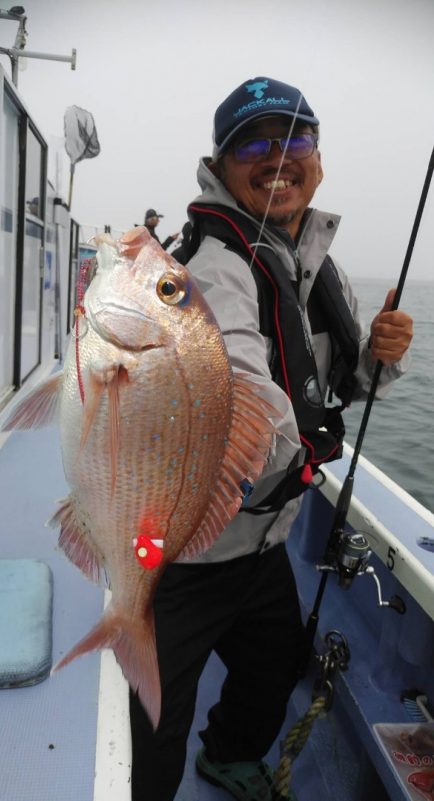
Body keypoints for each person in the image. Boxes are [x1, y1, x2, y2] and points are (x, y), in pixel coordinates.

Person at [130, 77, 413, 801]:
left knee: (274, 662)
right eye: (254, 143)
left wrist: (381, 359)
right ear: (221, 165)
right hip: (189, 545)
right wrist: (302, 442)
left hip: (262, 540)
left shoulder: (315, 265)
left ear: (318, 158)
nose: (278, 156)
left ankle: (228, 754)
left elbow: (341, 388)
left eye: (296, 140)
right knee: (156, 710)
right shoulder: (217, 269)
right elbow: (248, 398)